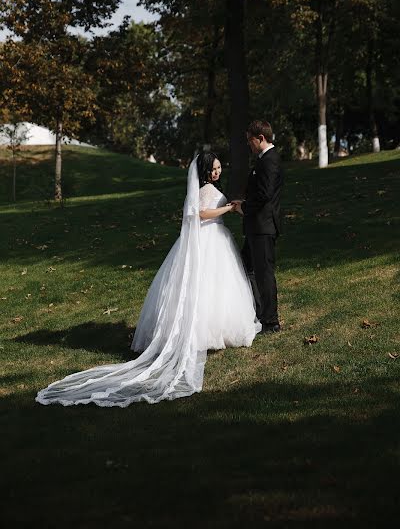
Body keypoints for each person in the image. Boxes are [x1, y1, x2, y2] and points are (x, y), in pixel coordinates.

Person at [36, 153, 260, 407]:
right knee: (205, 286)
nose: (218, 171)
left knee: (216, 287)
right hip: (208, 239)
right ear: (206, 171)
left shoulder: (209, 188)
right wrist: (228, 208)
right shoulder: (205, 190)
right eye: (215, 168)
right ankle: (202, 335)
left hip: (216, 239)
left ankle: (215, 332)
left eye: (220, 167)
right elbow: (202, 214)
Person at [233, 120, 283, 333]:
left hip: (263, 227)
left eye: (250, 140)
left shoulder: (270, 160)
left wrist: (243, 207)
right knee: (246, 269)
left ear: (261, 138)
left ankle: (271, 321)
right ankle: (257, 312)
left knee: (263, 274)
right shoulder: (263, 160)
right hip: (256, 227)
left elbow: (264, 195)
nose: (249, 145)